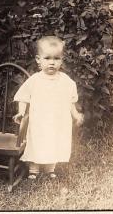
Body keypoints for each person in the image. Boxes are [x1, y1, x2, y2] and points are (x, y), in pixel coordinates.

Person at [13, 36, 84, 179]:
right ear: (38, 60)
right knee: (37, 141)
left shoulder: (65, 81)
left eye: (56, 58)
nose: (52, 62)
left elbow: (70, 100)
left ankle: (51, 168)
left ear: (62, 60)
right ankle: (34, 169)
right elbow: (23, 96)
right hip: (39, 121)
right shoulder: (35, 80)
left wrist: (75, 114)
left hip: (58, 121)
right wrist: (21, 112)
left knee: (55, 141)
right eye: (47, 58)